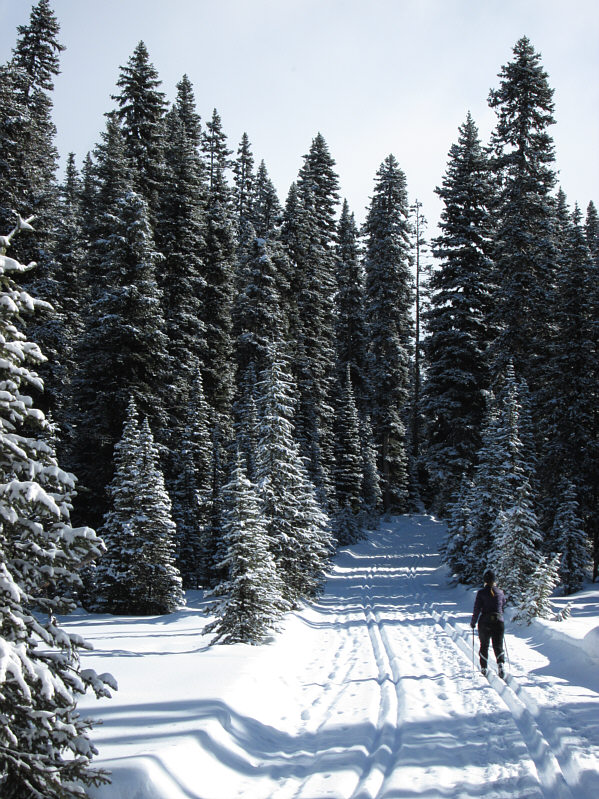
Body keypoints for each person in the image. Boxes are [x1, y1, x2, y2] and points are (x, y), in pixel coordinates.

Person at [470, 570, 507, 678]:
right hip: (498, 621)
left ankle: (484, 667)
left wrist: (473, 622)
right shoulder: (500, 592)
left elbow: (477, 609)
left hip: (485, 622)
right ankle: (500, 664)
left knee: (484, 645)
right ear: (494, 580)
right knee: (498, 645)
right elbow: (503, 604)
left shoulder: (481, 593)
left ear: (485, 581)